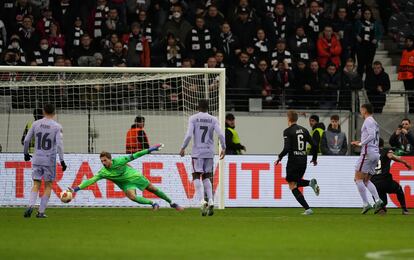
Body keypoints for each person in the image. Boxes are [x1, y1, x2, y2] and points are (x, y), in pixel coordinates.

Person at [69, 146, 184, 211]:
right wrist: (76, 189)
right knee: (132, 197)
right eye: (102, 161)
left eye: (105, 160)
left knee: (153, 189)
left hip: (135, 176)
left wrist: (151, 149)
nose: (103, 163)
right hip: (126, 184)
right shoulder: (103, 172)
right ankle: (153, 204)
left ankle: (172, 203)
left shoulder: (120, 161)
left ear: (110, 159)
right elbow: (91, 180)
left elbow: (136, 155)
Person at [180, 99, 226, 216]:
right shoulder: (213, 119)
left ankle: (202, 201)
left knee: (196, 175)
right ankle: (210, 200)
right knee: (206, 177)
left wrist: (183, 147)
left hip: (197, 153)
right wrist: (223, 147)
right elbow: (220, 134)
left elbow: (189, 134)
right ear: (208, 108)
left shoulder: (193, 118)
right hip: (209, 152)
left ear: (197, 107)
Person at [23, 104, 66, 218]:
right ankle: (41, 212)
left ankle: (30, 206)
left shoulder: (35, 124)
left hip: (37, 158)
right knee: (48, 185)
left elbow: (26, 140)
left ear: (43, 112)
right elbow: (59, 145)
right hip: (49, 160)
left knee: (36, 184)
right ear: (54, 113)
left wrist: (26, 153)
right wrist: (62, 161)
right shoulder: (57, 127)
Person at [275, 110, 319, 215]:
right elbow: (315, 145)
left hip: (293, 161)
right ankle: (310, 183)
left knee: (292, 185)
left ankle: (308, 209)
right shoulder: (304, 130)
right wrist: (314, 158)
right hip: (303, 161)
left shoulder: (287, 131)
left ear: (288, 119)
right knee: (294, 182)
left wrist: (279, 157)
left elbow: (287, 148)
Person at [351, 103, 383, 214]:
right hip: (375, 153)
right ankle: (378, 200)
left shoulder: (368, 120)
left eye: (361, 110)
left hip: (367, 153)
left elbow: (371, 135)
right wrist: (359, 142)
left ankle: (366, 203)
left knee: (357, 178)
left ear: (364, 110)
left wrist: (360, 144)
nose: (360, 112)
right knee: (366, 180)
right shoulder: (374, 121)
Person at [371, 138, 411, 215]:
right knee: (398, 189)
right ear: (382, 145)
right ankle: (404, 209)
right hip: (385, 181)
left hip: (374, 182)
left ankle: (381, 208)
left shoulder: (370, 153)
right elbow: (391, 156)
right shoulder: (386, 150)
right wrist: (405, 162)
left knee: (380, 197)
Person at [397, 35, 414, 113]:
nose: (408, 43)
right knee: (409, 96)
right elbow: (402, 64)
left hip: (413, 78)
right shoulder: (404, 52)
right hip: (406, 78)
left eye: (410, 41)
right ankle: (411, 110)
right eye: (407, 41)